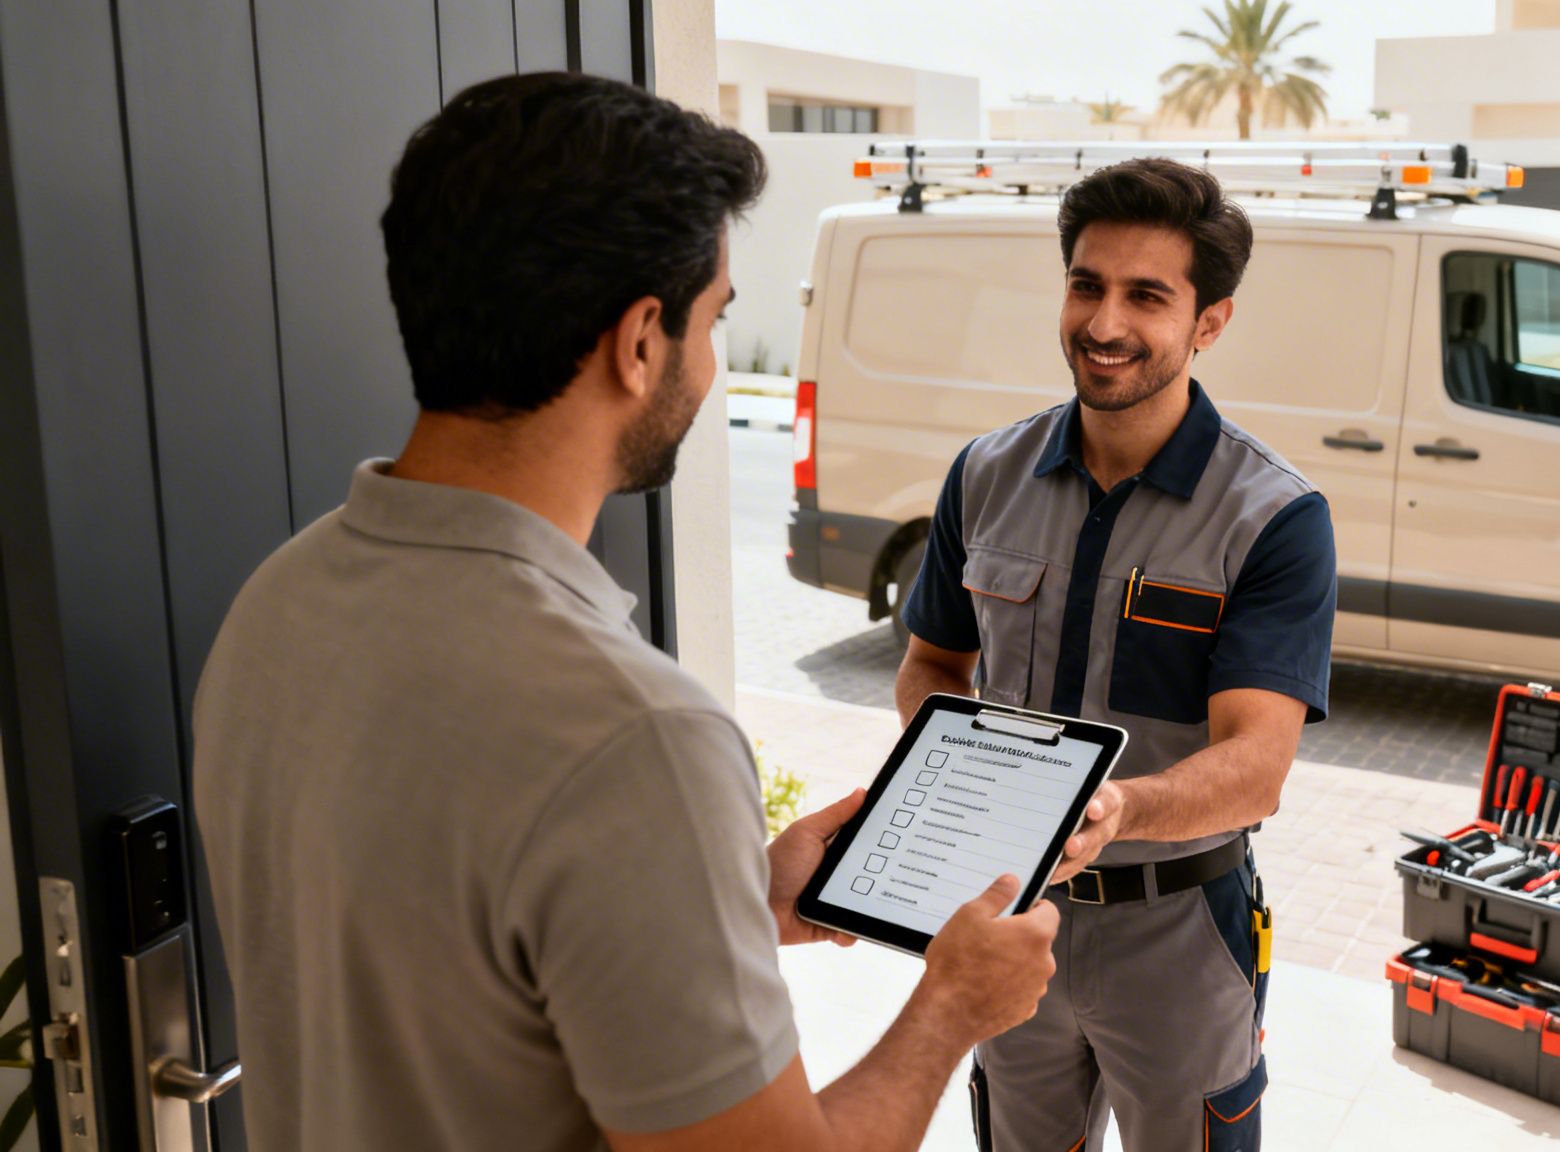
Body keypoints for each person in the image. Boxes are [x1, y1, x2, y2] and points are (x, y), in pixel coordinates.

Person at [192, 71, 1058, 1152]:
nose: (706, 360)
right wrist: (952, 1009)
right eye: (712, 321)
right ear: (639, 340)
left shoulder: (281, 601)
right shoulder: (635, 738)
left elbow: (442, 953)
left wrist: (731, 897)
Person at [894, 158, 1339, 1151]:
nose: (1103, 323)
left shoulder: (1273, 517)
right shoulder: (984, 474)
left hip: (1177, 931)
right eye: (1085, 285)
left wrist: (1117, 809)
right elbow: (930, 665)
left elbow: (1256, 767)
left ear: (1207, 322)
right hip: (1012, 915)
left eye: (1146, 296)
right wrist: (954, 781)